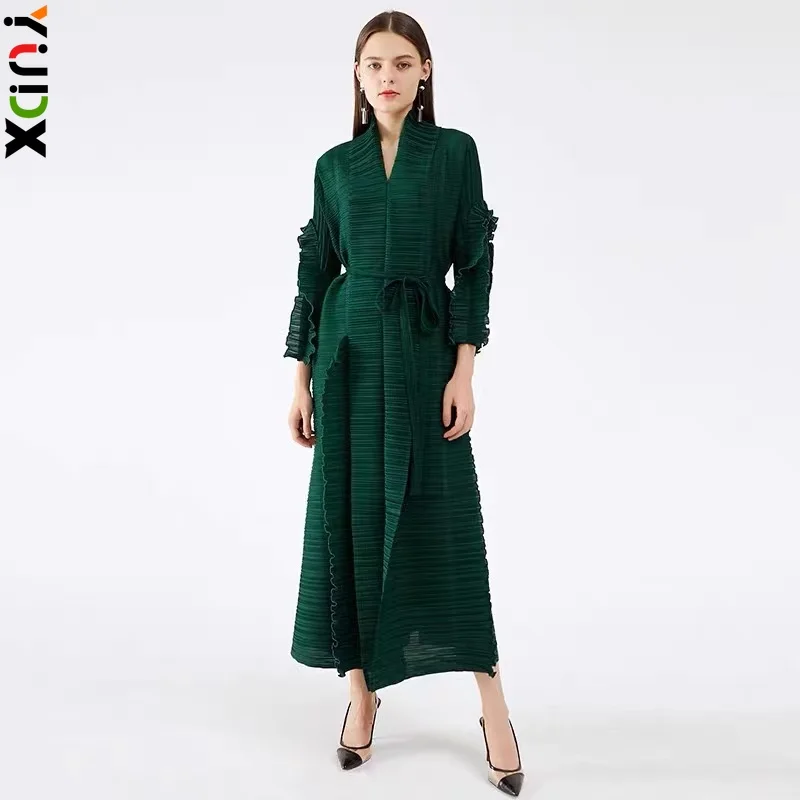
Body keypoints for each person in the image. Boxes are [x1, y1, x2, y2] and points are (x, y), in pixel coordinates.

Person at [284, 11, 524, 796]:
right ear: (357, 77)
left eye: (401, 62)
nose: (386, 75)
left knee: (445, 524)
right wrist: (300, 376)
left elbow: (474, 264)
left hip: (424, 355)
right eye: (373, 64)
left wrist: (465, 369)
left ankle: (493, 706)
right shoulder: (334, 166)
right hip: (348, 356)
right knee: (350, 519)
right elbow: (316, 271)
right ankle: (362, 693)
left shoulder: (453, 154)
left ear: (425, 72)